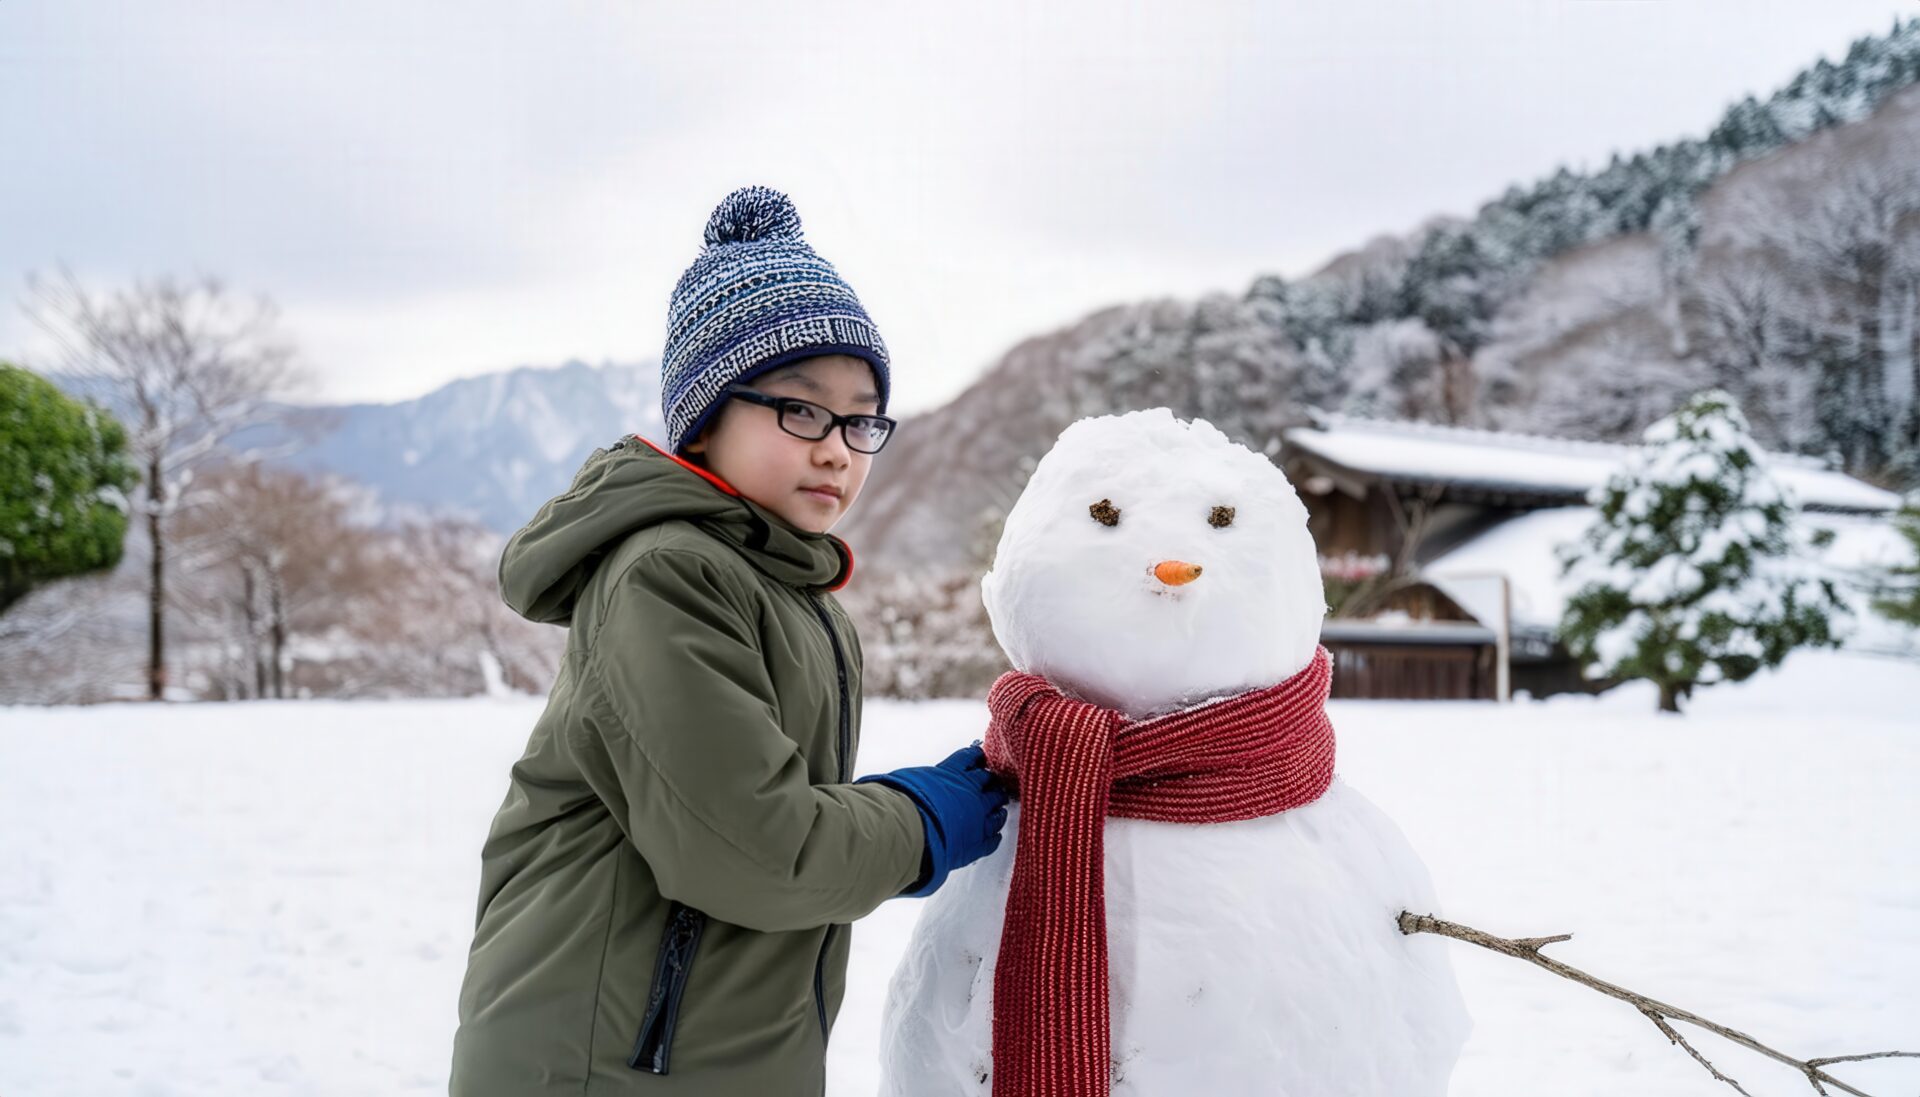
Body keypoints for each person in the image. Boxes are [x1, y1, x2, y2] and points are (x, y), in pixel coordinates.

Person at [448, 185, 1010, 1096]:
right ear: (706, 416)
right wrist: (923, 818)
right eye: (800, 408)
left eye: (862, 418)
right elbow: (754, 852)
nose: (838, 448)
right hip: (599, 1066)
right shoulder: (668, 576)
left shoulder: (789, 590)